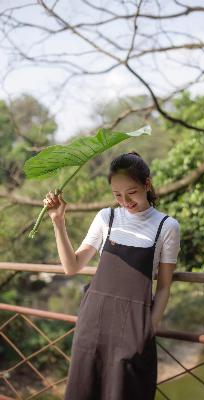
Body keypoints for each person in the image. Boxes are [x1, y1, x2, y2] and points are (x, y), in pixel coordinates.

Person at [43, 151, 181, 400]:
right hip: (92, 324)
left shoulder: (167, 226)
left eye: (132, 193)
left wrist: (148, 329)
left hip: (133, 329)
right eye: (117, 195)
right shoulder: (107, 217)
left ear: (147, 184)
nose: (125, 201)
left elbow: (164, 288)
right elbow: (72, 267)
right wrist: (58, 222)